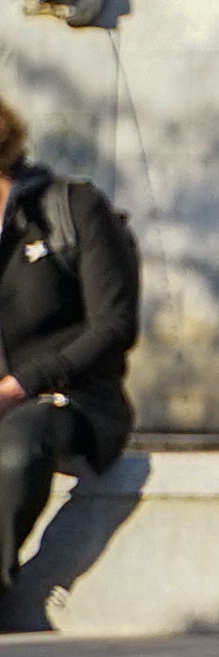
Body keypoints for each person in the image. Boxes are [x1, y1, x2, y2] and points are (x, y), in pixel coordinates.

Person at [0, 90, 140, 629]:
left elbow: (115, 325)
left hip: (70, 401)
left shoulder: (71, 208)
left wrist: (17, 386)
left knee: (18, 443)